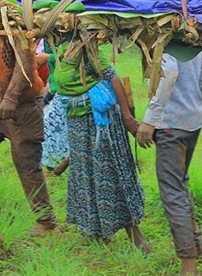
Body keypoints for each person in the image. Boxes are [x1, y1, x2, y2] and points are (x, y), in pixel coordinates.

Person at [55, 37, 150, 252]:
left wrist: (127, 118)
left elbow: (113, 78)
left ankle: (136, 237)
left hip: (99, 122)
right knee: (86, 175)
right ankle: (96, 232)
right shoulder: (61, 46)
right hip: (77, 122)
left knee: (109, 175)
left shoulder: (86, 48)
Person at [0, 29, 57, 236]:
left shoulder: (15, 28)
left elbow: (25, 63)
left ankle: (46, 221)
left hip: (25, 105)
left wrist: (11, 98)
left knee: (26, 163)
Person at [136, 50, 202, 276]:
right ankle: (196, 247)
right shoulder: (191, 35)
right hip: (192, 118)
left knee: (172, 192)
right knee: (180, 184)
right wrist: (196, 100)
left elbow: (169, 71)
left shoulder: (164, 34)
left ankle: (189, 267)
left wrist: (150, 119)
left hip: (171, 123)